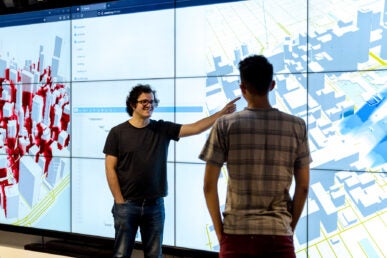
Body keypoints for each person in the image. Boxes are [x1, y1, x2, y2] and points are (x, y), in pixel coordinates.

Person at [103, 83, 240, 258]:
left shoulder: (161, 128)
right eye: (144, 101)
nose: (149, 105)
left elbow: (195, 128)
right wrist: (119, 201)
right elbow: (110, 168)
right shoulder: (117, 133)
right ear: (132, 105)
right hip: (127, 205)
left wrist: (221, 114)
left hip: (155, 206)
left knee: (154, 255)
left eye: (151, 101)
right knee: (121, 254)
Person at [199, 55, 311, 258]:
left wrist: (221, 234)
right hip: (278, 236)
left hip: (235, 235)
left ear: (242, 89)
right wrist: (287, 228)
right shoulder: (297, 126)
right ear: (272, 85)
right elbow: (303, 187)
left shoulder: (225, 125)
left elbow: (208, 186)